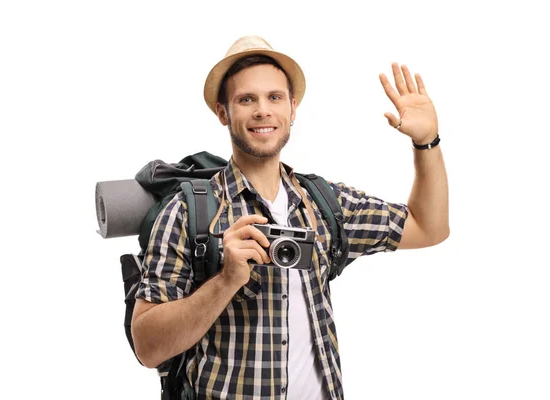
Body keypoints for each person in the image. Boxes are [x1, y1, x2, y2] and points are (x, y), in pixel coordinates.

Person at [131, 35, 449, 399]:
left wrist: (427, 142)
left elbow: (429, 227)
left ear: (292, 108)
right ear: (223, 112)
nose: (262, 110)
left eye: (274, 97)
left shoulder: (324, 204)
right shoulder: (187, 213)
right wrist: (225, 280)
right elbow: (148, 347)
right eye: (246, 99)